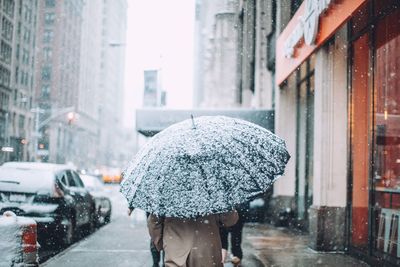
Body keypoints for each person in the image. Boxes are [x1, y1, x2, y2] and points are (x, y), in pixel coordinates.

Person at [147, 211, 238, 267]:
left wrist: (160, 244)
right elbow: (230, 220)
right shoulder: (213, 187)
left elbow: (154, 222)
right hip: (207, 249)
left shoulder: (167, 188)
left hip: (175, 250)